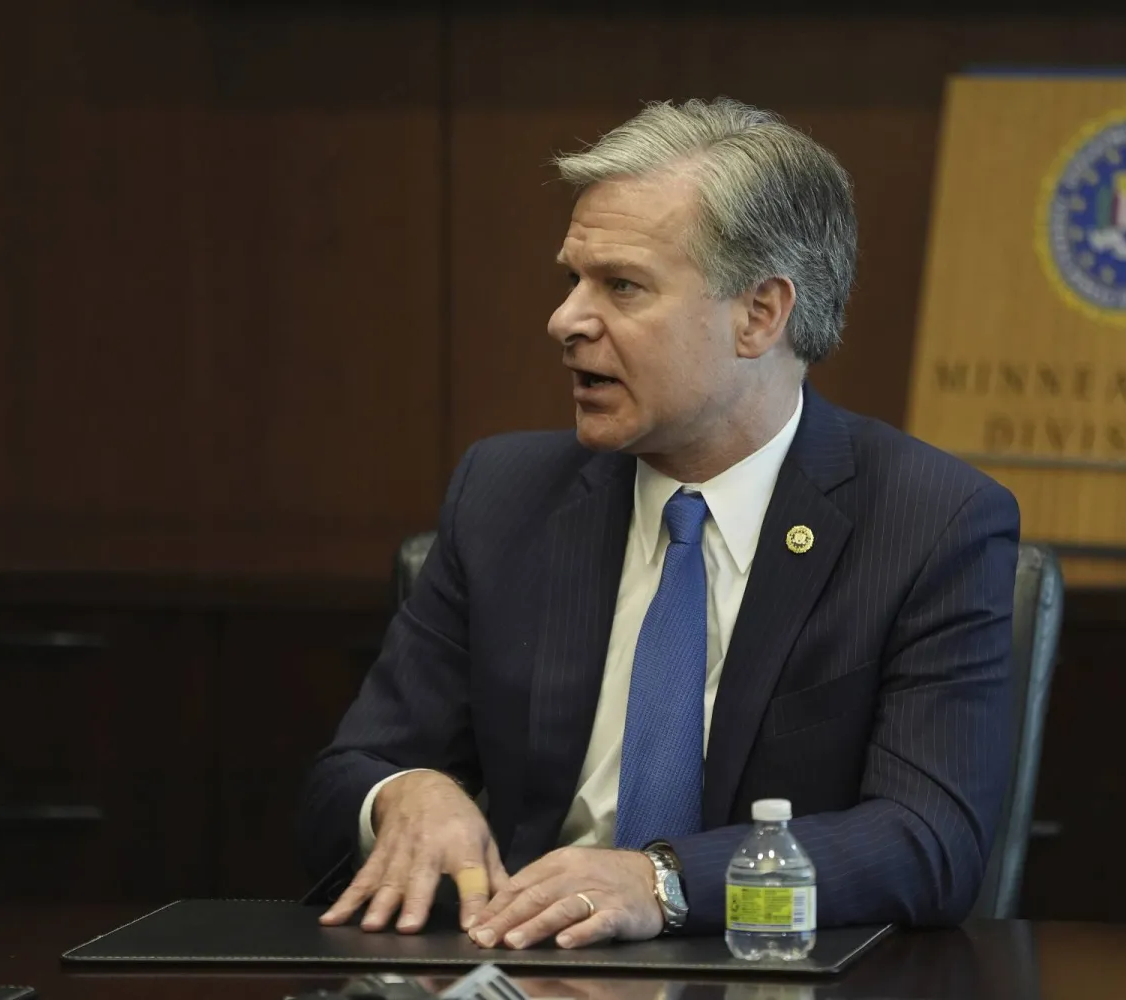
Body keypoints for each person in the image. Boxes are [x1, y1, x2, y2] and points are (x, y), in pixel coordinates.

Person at [297, 97, 1020, 952]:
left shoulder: (928, 521)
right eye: (572, 278)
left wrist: (663, 880)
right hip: (531, 971)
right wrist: (406, 793)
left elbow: (929, 841)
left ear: (760, 315)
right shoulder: (504, 495)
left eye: (622, 286)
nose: (566, 320)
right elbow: (344, 779)